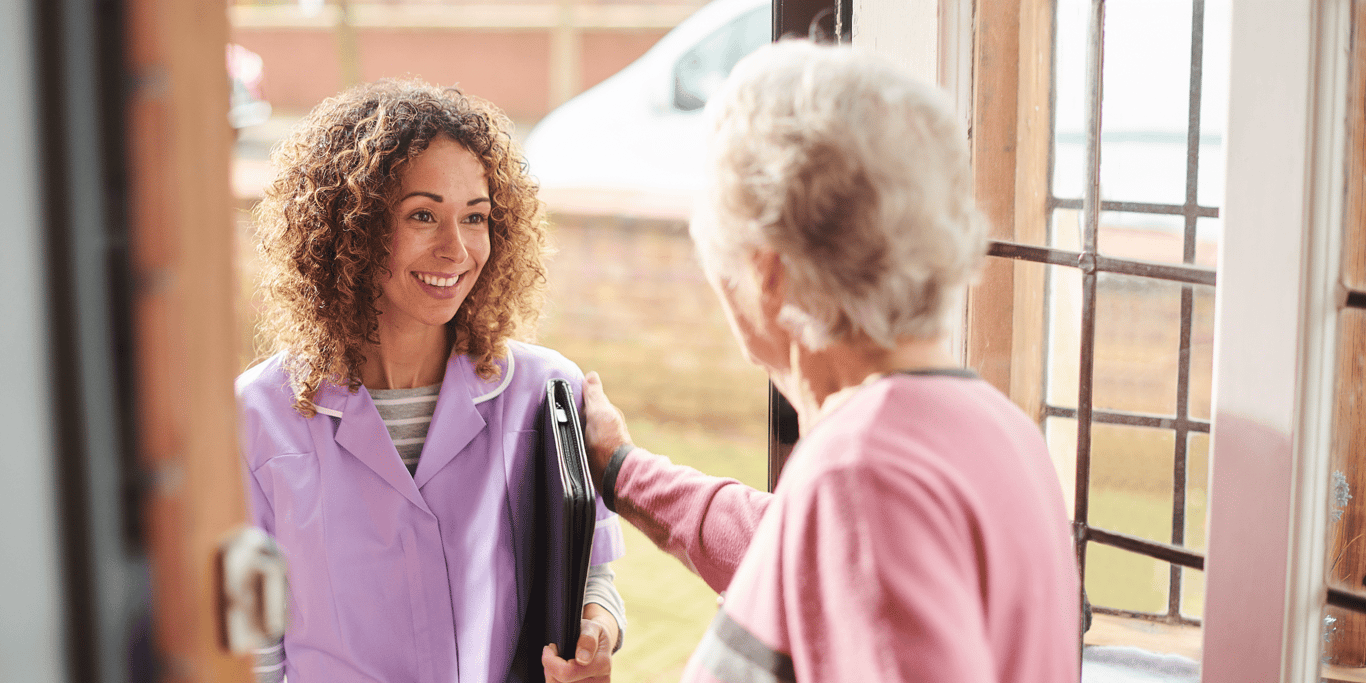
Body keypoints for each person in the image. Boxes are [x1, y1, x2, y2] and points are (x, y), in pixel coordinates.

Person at [577, 40, 1080, 682]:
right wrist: (622, 470)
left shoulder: (861, 474)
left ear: (770, 274)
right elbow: (802, 556)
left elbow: (855, 536)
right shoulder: (992, 428)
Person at [236, 79, 625, 683]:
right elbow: (250, 652)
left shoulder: (546, 393)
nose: (457, 249)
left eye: (476, 218)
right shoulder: (257, 415)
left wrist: (595, 634)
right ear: (353, 229)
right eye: (423, 215)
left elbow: (591, 576)